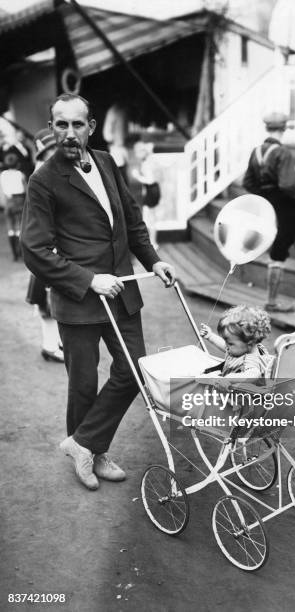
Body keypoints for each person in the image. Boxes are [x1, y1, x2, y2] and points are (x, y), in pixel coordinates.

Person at [21, 93, 176, 491]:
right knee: (83, 384)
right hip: (80, 298)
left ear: (91, 127)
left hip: (121, 289)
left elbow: (131, 219)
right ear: (52, 127)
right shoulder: (43, 181)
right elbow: (34, 250)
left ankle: (84, 443)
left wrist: (153, 260)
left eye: (77, 124)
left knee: (134, 371)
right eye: (61, 125)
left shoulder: (106, 161)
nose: (69, 133)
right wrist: (89, 280)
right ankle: (93, 453)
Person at [243, 112, 295, 313]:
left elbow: (248, 182)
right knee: (286, 237)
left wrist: (263, 195)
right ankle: (271, 302)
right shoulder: (282, 153)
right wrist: (294, 195)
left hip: (266, 202)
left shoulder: (256, 152)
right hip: (284, 201)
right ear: (283, 129)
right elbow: (288, 184)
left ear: (267, 129)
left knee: (290, 229)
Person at [25, 128, 64, 363]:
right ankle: (50, 345)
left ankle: (52, 342)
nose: (54, 152)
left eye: (55, 147)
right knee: (46, 301)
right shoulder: (41, 176)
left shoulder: (53, 172)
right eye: (49, 149)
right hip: (46, 246)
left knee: (49, 301)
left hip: (51, 245)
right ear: (41, 153)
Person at [200, 305, 273, 379]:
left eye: (230, 343)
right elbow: (225, 347)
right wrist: (210, 336)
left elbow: (254, 374)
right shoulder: (241, 347)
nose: (227, 346)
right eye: (227, 341)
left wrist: (231, 378)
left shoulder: (251, 359)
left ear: (250, 343)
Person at [131, 140, 161, 250]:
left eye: (137, 152)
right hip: (153, 190)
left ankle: (153, 243)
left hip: (151, 190)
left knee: (150, 218)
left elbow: (150, 180)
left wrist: (137, 176)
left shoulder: (147, 163)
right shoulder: (149, 160)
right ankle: (152, 242)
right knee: (149, 217)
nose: (136, 155)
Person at [0, 150, 26, 261]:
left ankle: (14, 254)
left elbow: (2, 190)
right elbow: (25, 188)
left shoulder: (3, 174)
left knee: (10, 227)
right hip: (19, 200)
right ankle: (20, 253)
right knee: (20, 226)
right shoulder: (20, 174)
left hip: (8, 200)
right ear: (17, 163)